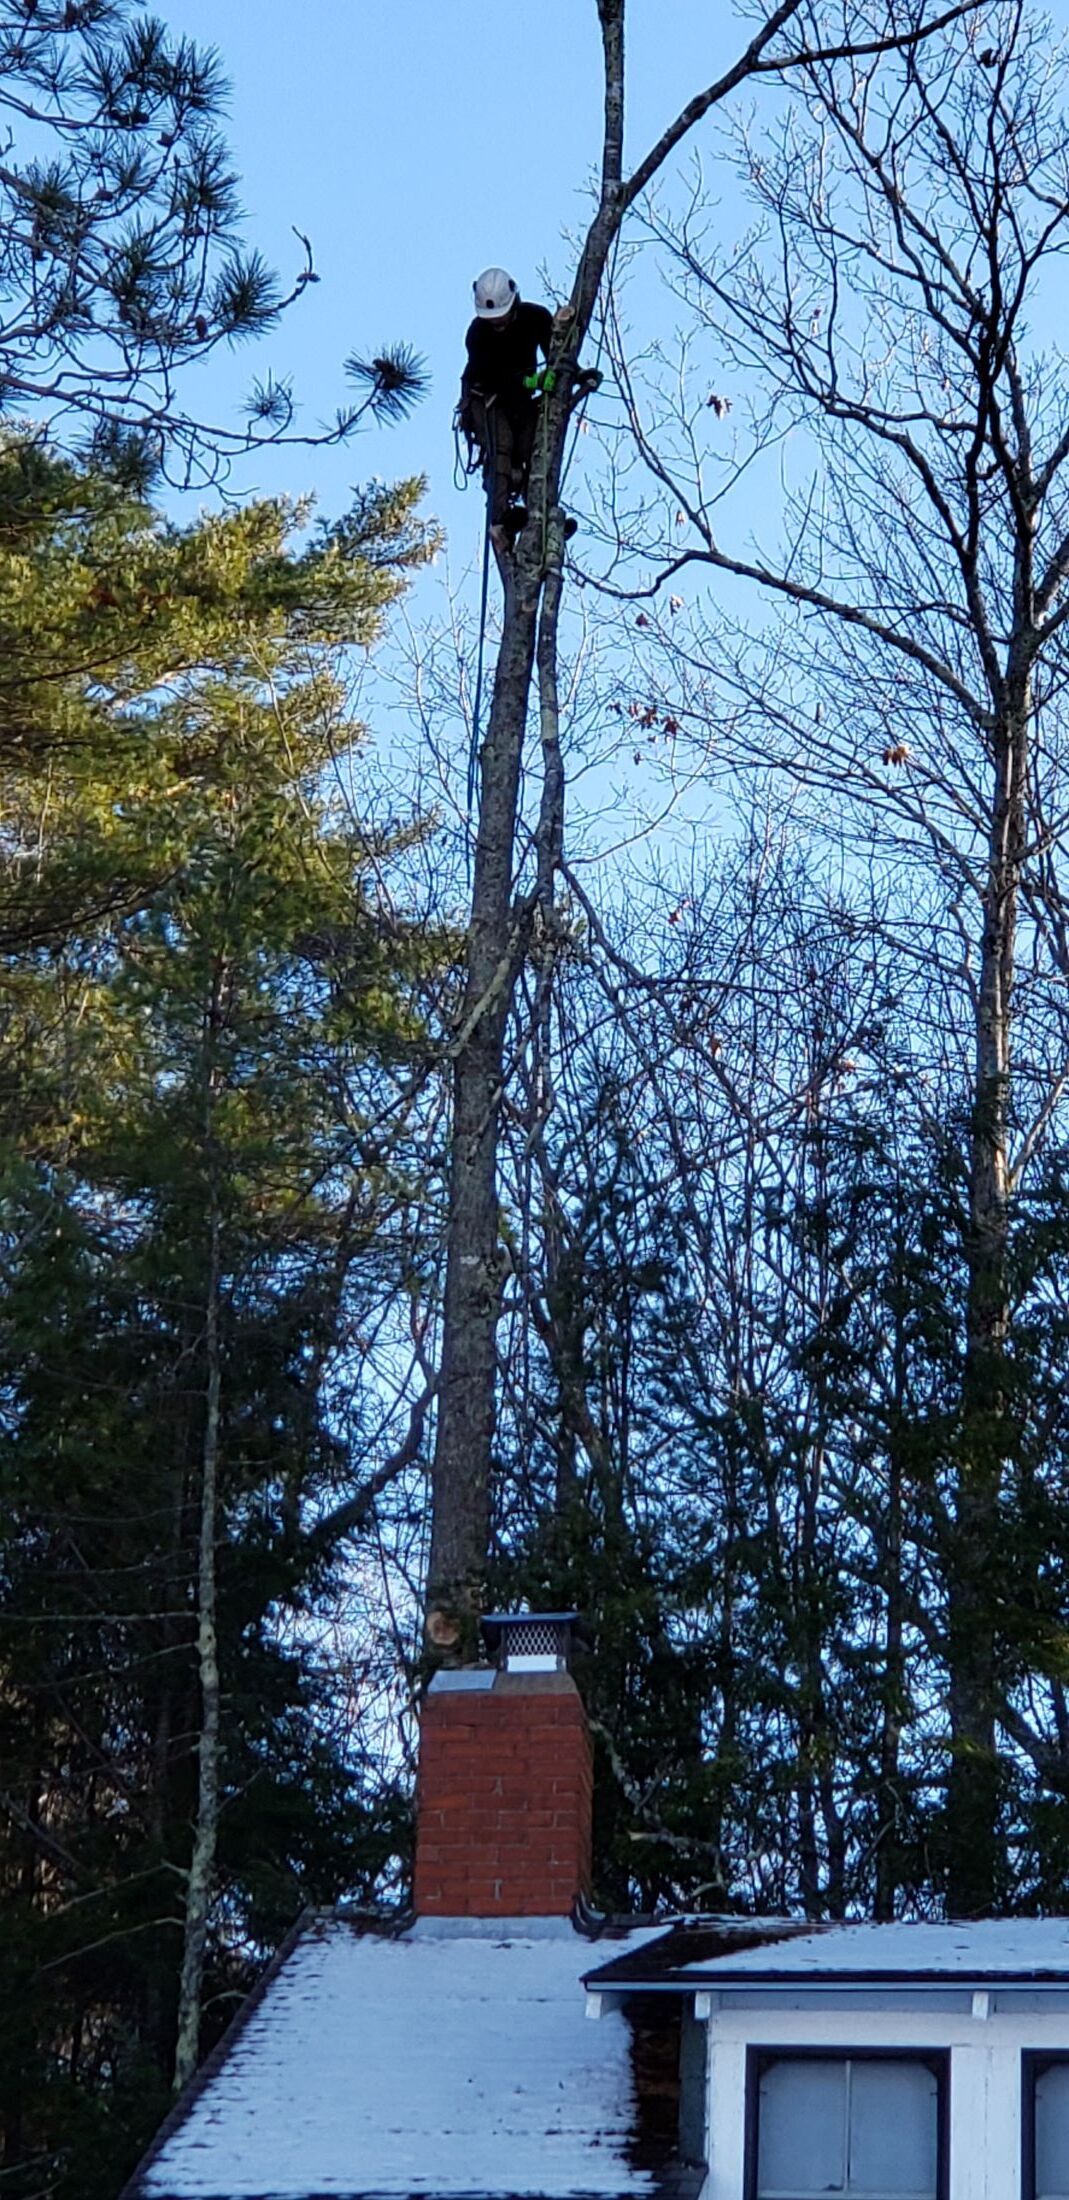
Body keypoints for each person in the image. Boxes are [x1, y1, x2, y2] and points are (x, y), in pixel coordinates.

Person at [458, 268, 596, 553]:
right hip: (486, 398)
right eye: (492, 320)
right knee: (503, 449)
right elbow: (493, 374)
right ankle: (499, 522)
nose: (498, 324)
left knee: (533, 450)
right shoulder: (477, 334)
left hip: (520, 400)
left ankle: (542, 518)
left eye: (502, 318)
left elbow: (556, 356)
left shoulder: (535, 318)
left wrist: (578, 375)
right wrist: (531, 381)